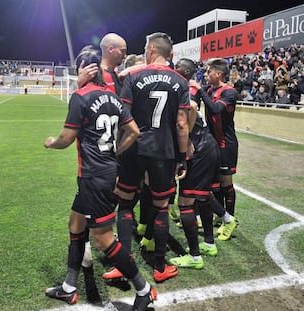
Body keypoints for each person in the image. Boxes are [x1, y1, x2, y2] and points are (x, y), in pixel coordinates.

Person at [44, 47, 157, 310]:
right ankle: (70, 288)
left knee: (103, 238)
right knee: (75, 223)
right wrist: (116, 152)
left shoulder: (80, 97)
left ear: (83, 70)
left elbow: (66, 139)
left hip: (95, 177)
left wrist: (51, 143)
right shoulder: (113, 97)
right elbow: (134, 131)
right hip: (102, 172)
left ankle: (144, 289)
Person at [114, 32, 190, 282]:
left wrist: (118, 151)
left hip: (134, 148)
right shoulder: (180, 81)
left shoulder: (133, 75)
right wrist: (181, 156)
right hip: (163, 152)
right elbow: (181, 124)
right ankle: (159, 268)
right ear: (170, 54)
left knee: (125, 204)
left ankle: (123, 266)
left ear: (150, 50)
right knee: (161, 207)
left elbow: (122, 120)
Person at [168, 58, 237, 270]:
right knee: (203, 195)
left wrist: (186, 139)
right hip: (208, 145)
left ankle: (195, 257)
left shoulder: (185, 88)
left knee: (186, 201)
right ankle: (209, 242)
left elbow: (192, 106)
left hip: (202, 148)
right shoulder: (188, 86)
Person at [189, 58, 238, 239]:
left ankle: (229, 220)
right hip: (211, 143)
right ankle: (219, 216)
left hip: (226, 144)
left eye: (209, 72)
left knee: (226, 184)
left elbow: (216, 109)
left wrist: (200, 90)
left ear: (218, 74)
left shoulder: (230, 92)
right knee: (214, 183)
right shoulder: (210, 90)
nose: (206, 75)